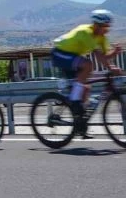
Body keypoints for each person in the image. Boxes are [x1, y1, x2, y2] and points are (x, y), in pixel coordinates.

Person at [51, 9, 121, 137]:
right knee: (88, 65)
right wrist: (112, 68)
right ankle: (74, 101)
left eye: (108, 26)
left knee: (86, 88)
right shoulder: (86, 32)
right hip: (60, 53)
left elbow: (104, 56)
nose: (107, 29)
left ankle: (79, 123)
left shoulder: (101, 37)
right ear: (97, 25)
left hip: (73, 56)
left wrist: (115, 53)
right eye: (105, 26)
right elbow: (98, 55)